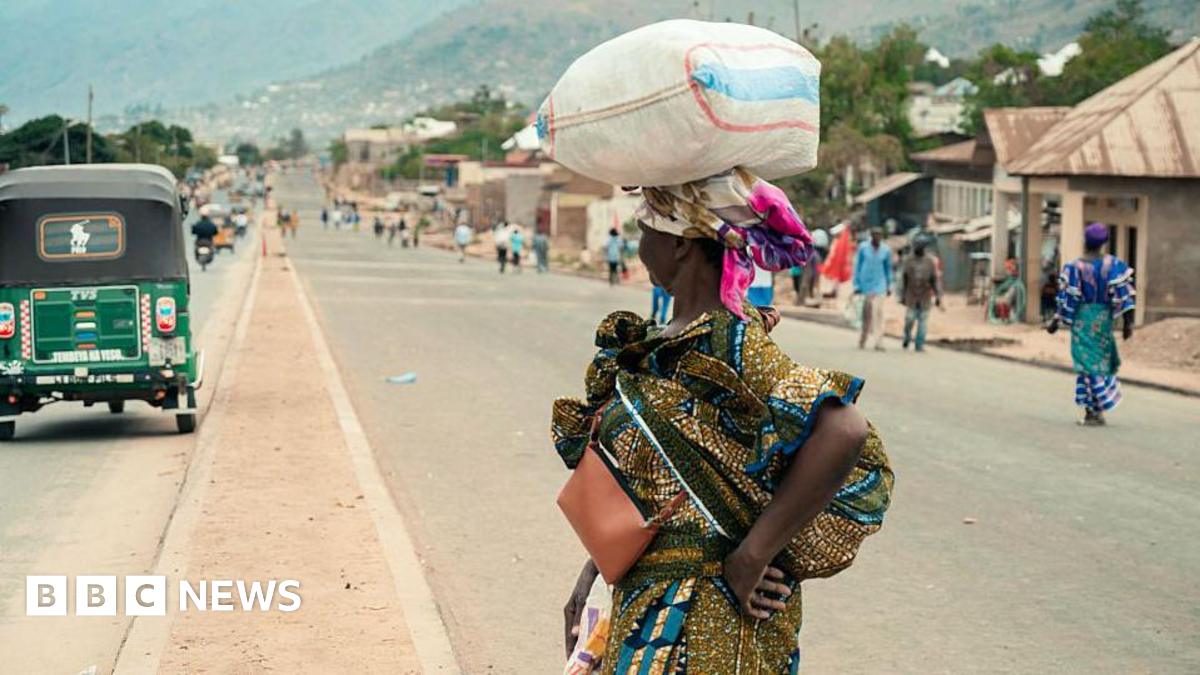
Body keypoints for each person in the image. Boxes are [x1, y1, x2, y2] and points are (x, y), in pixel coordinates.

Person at [554, 168, 892, 673]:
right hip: (646, 609)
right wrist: (598, 568)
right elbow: (662, 492)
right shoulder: (665, 341)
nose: (640, 246)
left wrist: (750, 559)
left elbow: (843, 429)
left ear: (684, 244)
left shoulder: (732, 342)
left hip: (708, 621)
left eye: (647, 232)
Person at [1047, 223, 1136, 427]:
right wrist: (1127, 324)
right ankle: (1097, 409)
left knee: (1086, 365)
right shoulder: (1113, 265)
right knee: (1099, 362)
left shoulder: (1074, 268)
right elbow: (1124, 295)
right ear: (1104, 242)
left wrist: (1055, 321)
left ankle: (1093, 411)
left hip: (1082, 320)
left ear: (1084, 240)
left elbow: (1067, 298)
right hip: (1104, 319)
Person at [853, 227, 892, 351]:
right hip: (865, 285)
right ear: (871, 235)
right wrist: (857, 285)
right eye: (875, 235)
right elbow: (857, 266)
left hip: (880, 284)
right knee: (866, 314)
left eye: (880, 235)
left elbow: (888, 269)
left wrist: (889, 285)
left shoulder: (886, 250)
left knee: (878, 312)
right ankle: (863, 338)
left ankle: (878, 341)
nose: (877, 237)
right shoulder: (863, 248)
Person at [900, 237, 942, 351]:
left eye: (920, 246)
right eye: (916, 246)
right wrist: (902, 295)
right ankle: (907, 337)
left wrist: (938, 296)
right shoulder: (908, 260)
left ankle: (919, 344)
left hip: (925, 295)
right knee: (910, 319)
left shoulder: (930, 261)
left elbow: (934, 279)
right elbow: (904, 278)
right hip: (911, 294)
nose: (918, 248)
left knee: (923, 322)